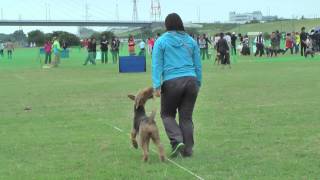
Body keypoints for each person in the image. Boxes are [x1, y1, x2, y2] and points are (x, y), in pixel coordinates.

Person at [152, 13, 202, 158]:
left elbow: (157, 64)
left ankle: (176, 140)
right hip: (191, 80)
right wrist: (198, 82)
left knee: (167, 114)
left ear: (167, 25)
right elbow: (198, 64)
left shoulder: (161, 41)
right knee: (186, 117)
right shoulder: (191, 41)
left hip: (172, 82)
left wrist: (156, 85)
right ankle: (188, 150)